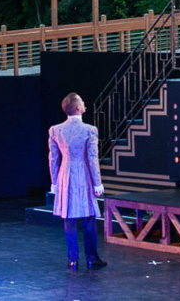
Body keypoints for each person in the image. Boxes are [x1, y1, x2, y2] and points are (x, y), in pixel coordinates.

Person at [49, 92, 107, 270]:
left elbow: (53, 159)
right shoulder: (90, 130)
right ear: (78, 107)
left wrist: (54, 182)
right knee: (88, 217)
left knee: (69, 218)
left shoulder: (56, 130)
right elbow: (92, 158)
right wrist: (98, 183)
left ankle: (73, 259)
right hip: (83, 175)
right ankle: (91, 258)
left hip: (65, 175)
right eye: (82, 101)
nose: (84, 103)